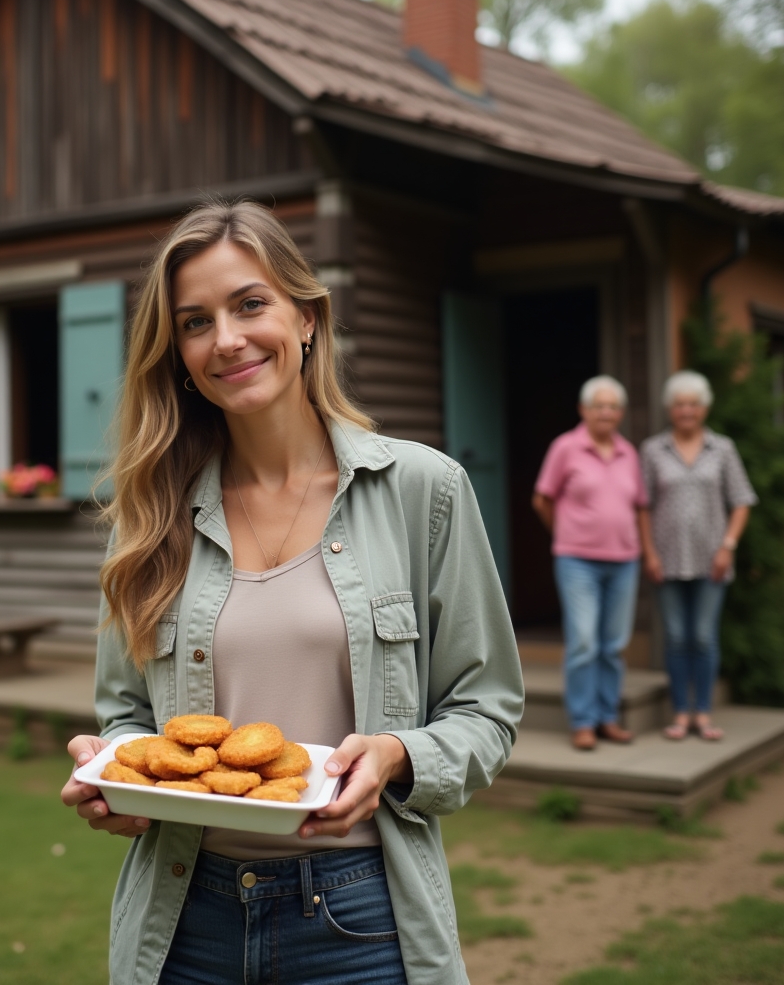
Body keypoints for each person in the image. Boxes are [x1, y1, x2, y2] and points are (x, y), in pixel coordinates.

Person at [59, 201, 523, 985]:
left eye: (249, 304)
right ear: (177, 352)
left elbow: (488, 708)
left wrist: (400, 755)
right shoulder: (150, 517)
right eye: (196, 322)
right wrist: (116, 772)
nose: (228, 340)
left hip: (360, 919)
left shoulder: (424, 492)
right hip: (184, 923)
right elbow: (128, 716)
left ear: (306, 317)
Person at [638, 371, 757, 742]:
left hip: (712, 560)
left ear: (703, 408)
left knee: (703, 637)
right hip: (667, 559)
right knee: (675, 638)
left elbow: (741, 501)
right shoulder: (652, 450)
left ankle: (702, 713)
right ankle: (679, 714)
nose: (686, 410)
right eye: (679, 404)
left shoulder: (722, 448)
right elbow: (643, 506)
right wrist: (650, 553)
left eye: (692, 404)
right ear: (669, 409)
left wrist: (728, 546)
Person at [532, 376, 647, 751]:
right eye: (599, 406)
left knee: (612, 644)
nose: (606, 413)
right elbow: (542, 499)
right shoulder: (566, 448)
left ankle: (607, 717)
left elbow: (639, 505)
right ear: (583, 410)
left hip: (624, 560)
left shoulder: (629, 453)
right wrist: (566, 534)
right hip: (577, 560)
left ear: (621, 414)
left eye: (613, 407)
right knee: (583, 641)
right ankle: (582, 721)